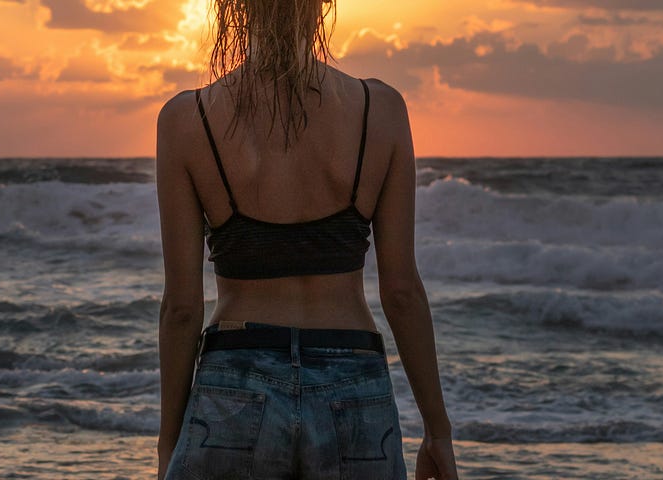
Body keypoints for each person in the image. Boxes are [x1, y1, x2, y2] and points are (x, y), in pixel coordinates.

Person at [153, 0, 456, 479]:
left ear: (237, 9)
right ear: (322, 7)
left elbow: (182, 309)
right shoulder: (381, 109)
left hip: (235, 376)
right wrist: (437, 430)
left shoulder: (187, 118)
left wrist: (169, 441)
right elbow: (401, 292)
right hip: (354, 377)